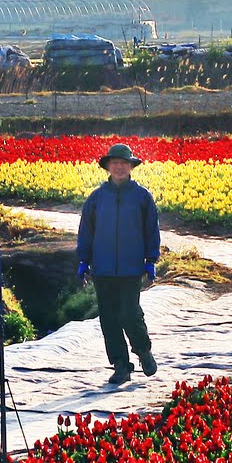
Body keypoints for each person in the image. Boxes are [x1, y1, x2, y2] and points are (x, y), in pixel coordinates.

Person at [75, 141, 160, 386]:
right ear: (108, 167)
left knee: (130, 313)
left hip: (131, 267)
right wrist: (84, 260)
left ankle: (143, 350)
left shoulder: (142, 197)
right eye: (115, 164)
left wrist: (150, 260)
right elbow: (86, 231)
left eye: (124, 163)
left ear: (131, 167)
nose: (119, 168)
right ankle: (121, 365)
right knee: (109, 319)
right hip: (102, 269)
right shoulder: (97, 198)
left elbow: (151, 230)